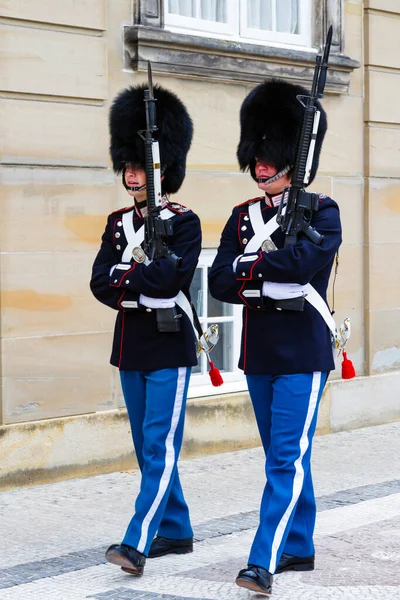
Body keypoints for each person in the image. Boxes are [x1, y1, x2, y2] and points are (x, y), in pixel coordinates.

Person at [209, 79, 342, 596]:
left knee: (285, 457)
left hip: (304, 352)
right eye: (256, 155)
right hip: (260, 352)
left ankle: (261, 558)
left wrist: (252, 267)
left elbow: (305, 264)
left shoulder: (321, 211)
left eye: (269, 155)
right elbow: (220, 280)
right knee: (286, 455)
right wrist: (264, 271)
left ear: (292, 156)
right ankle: (301, 544)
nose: (260, 165)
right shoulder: (244, 216)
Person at [90, 82, 201, 577]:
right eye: (128, 166)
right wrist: (137, 282)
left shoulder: (184, 222)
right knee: (145, 445)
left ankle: (138, 539)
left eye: (140, 166)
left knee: (159, 444)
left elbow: (173, 278)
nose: (132, 174)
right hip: (131, 347)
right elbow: (98, 282)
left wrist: (125, 281)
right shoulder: (117, 225)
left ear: (160, 170)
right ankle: (176, 529)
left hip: (168, 345)